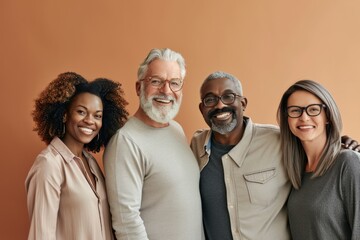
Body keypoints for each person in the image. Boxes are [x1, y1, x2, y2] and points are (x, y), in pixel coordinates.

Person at [190, 71, 360, 240]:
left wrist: (341, 143)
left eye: (228, 96)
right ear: (201, 108)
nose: (220, 106)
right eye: (210, 100)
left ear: (243, 103)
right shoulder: (196, 146)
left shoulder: (278, 142)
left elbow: (315, 138)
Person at [104, 48, 204, 240]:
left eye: (175, 83)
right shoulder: (125, 142)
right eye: (156, 81)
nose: (166, 91)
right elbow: (127, 223)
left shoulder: (176, 130)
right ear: (138, 87)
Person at [26, 72, 128, 240]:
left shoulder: (91, 163)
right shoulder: (49, 164)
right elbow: (41, 235)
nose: (90, 121)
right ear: (65, 115)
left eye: (97, 116)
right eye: (81, 112)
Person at [277, 80, 360, 239]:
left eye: (313, 110)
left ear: (327, 116)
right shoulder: (294, 171)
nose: (304, 117)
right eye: (295, 111)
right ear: (287, 119)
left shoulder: (348, 163)